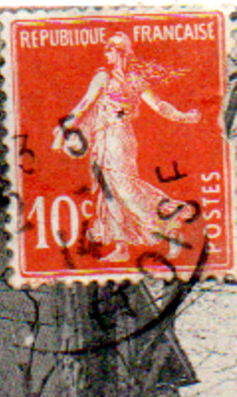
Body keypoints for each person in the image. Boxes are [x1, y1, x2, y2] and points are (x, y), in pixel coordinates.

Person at [54, 32, 203, 262]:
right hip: (103, 139)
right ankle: (121, 247)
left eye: (110, 50)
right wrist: (65, 126)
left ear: (121, 52)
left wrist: (184, 116)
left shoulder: (134, 80)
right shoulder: (103, 77)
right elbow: (84, 104)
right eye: (106, 50)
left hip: (120, 139)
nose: (107, 55)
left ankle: (170, 228)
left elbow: (159, 106)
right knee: (109, 192)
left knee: (125, 189)